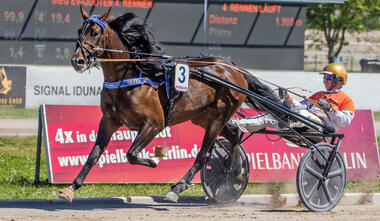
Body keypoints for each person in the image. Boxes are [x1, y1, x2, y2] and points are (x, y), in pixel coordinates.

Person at [228, 63, 355, 133]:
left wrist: (332, 110)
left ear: (338, 80)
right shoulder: (319, 94)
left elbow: (346, 122)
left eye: (328, 78)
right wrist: (288, 99)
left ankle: (287, 120)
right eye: (324, 78)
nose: (324, 81)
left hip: (323, 127)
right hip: (305, 119)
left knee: (301, 114)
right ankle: (237, 124)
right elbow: (301, 106)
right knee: (274, 114)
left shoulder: (346, 100)